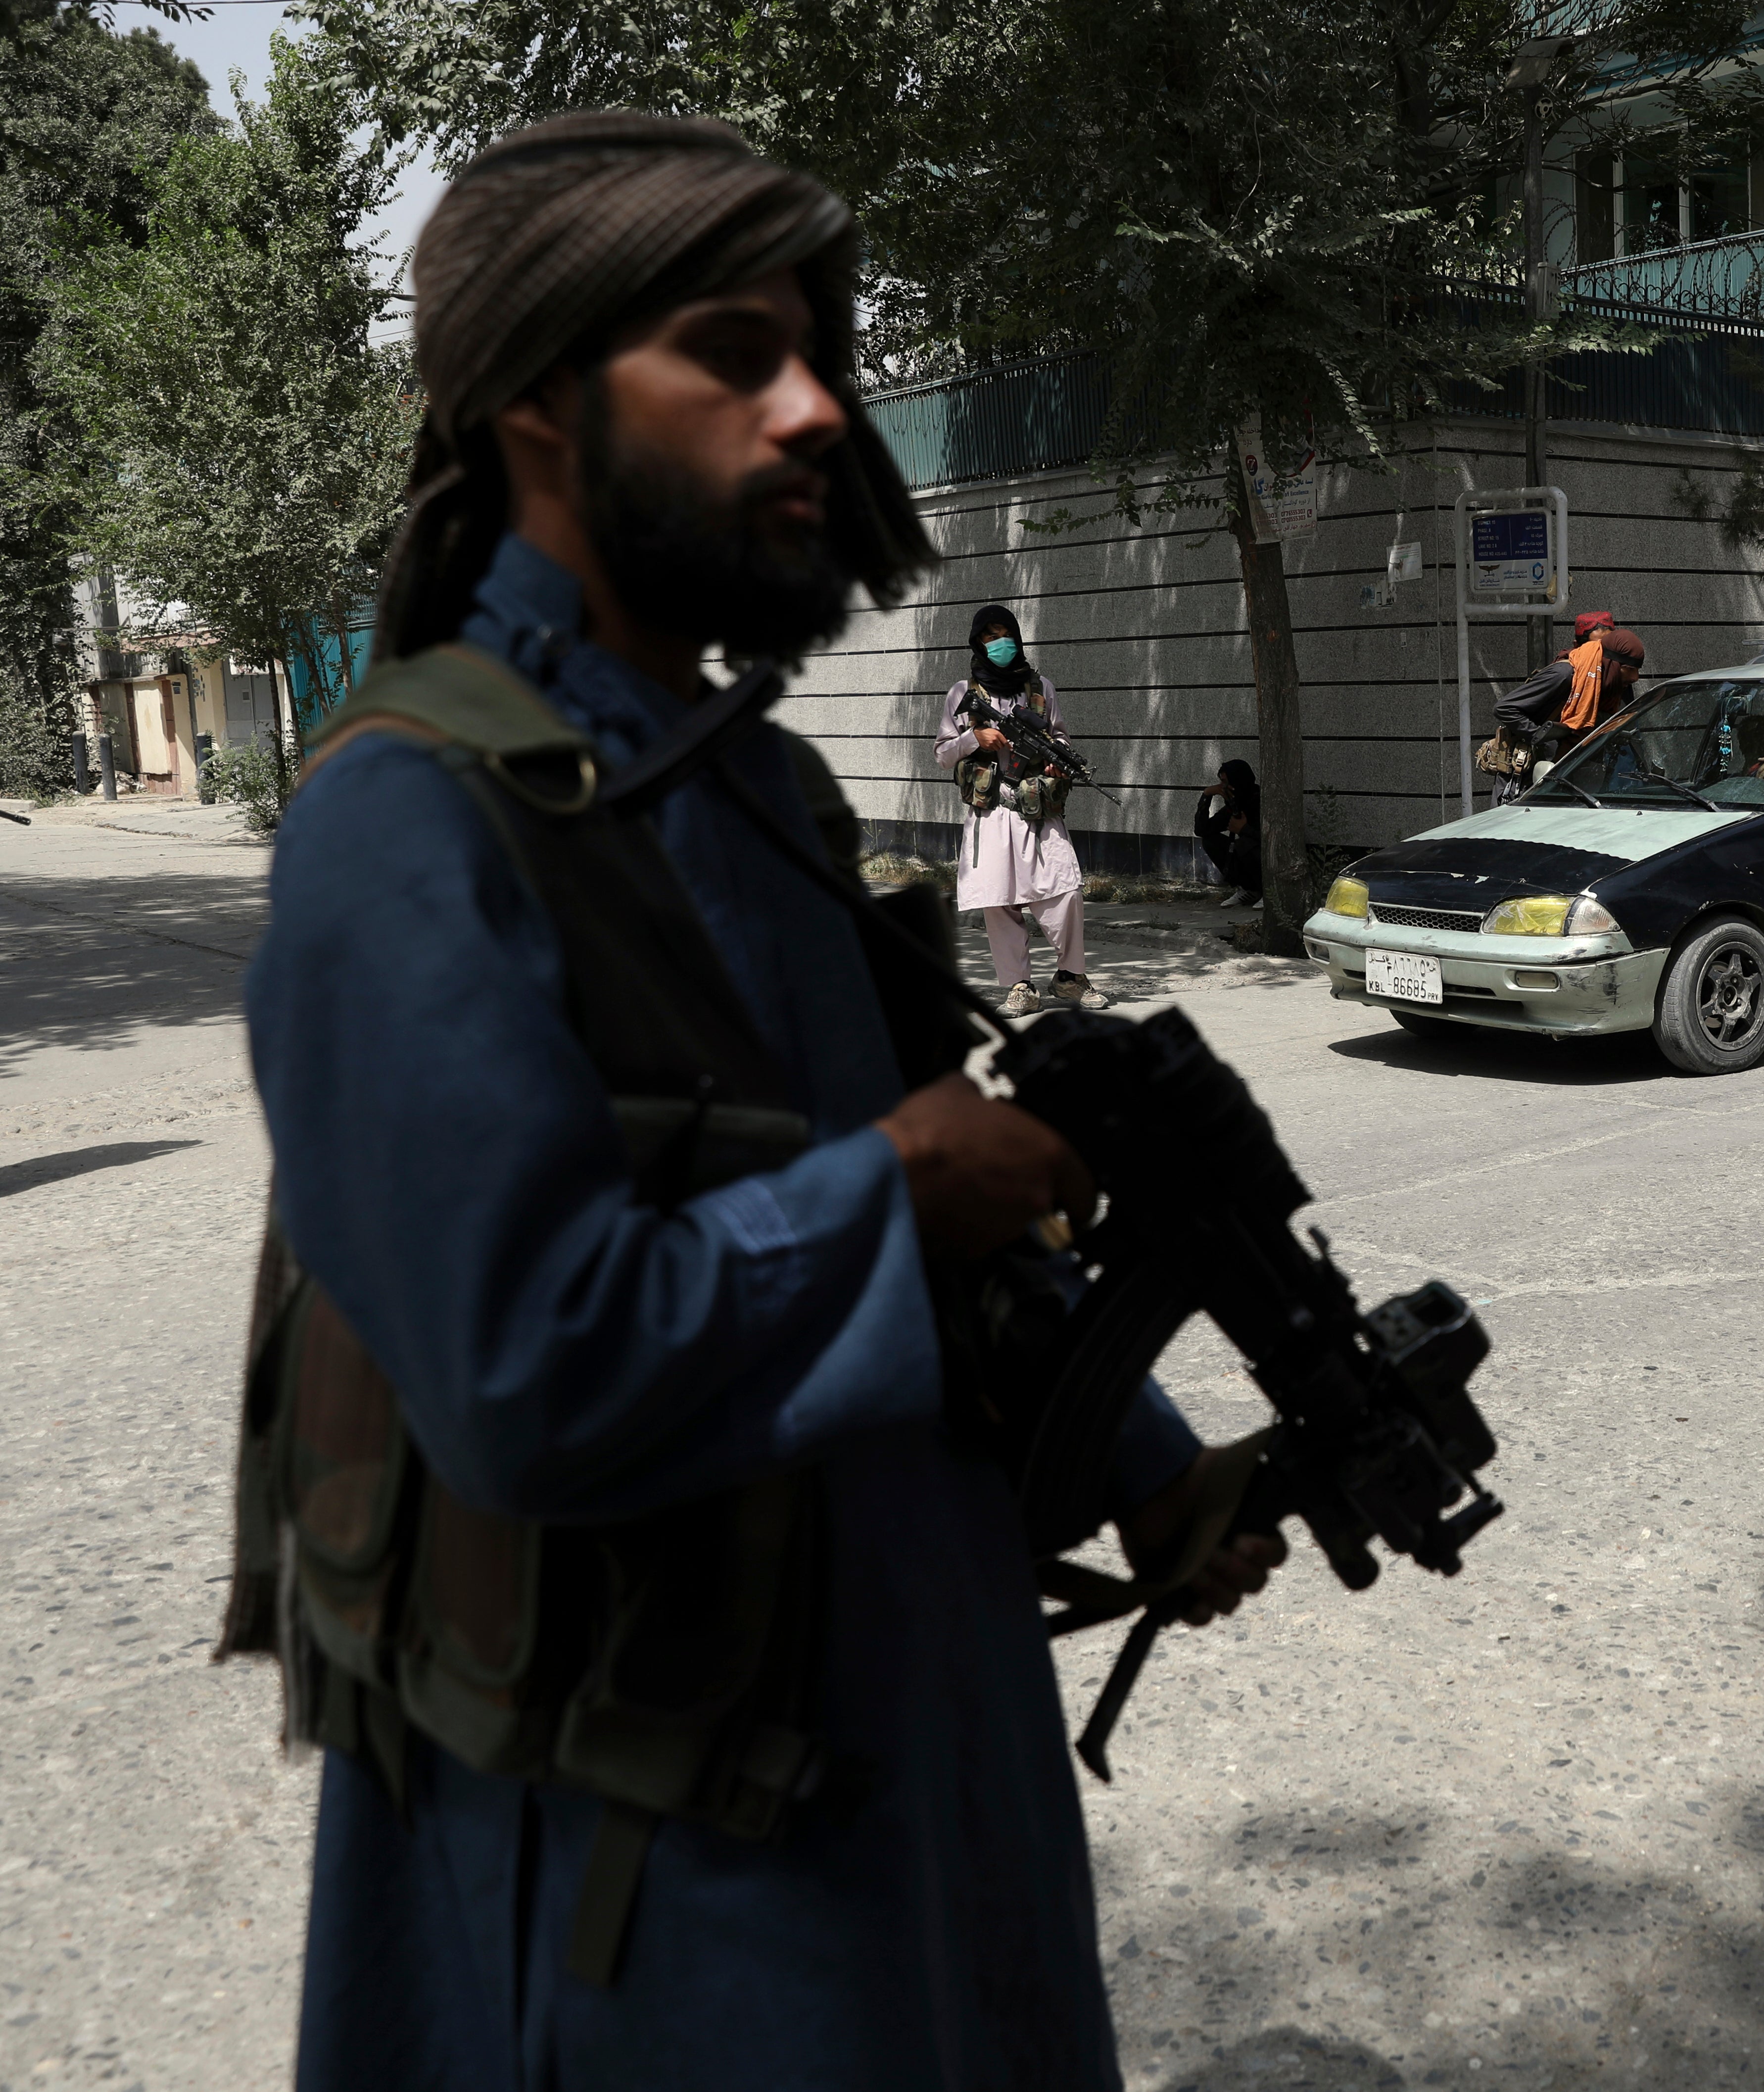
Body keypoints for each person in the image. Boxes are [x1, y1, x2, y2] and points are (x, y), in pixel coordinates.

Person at [235, 112, 1281, 2088]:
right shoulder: (408, 822)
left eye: (822, 353)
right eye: (731, 352)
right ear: (540, 403)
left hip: (919, 1767)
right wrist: (893, 1187)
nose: (814, 410)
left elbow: (944, 1223)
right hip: (661, 1894)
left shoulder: (758, 790)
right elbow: (526, 1368)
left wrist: (1139, 1459)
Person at [934, 603, 1107, 1013]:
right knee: (1000, 900)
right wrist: (977, 739)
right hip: (991, 811)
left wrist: (1058, 759)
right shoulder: (964, 693)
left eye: (1004, 633)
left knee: (1065, 892)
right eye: (990, 636)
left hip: (1038, 806)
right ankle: (1020, 986)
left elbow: (1060, 737)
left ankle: (1070, 977)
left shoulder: (1041, 687)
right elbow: (943, 753)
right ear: (978, 642)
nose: (999, 642)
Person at [1195, 757, 1262, 907]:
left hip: (1270, 866)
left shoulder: (1262, 802)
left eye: (1225, 782)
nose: (1222, 787)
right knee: (1210, 841)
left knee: (1244, 843)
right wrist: (1207, 795)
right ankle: (1249, 890)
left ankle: (1269, 892)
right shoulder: (1236, 805)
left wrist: (1244, 829)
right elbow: (1202, 830)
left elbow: (1274, 842)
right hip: (1250, 864)